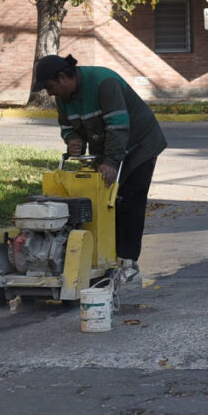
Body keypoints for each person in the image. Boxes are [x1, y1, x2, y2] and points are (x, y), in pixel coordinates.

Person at [32, 54, 167, 274]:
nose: (49, 93)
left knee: (130, 198)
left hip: (140, 142)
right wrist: (73, 140)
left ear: (63, 77)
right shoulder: (63, 99)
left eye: (49, 86)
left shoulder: (104, 83)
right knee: (101, 200)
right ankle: (105, 255)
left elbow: (118, 126)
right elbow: (67, 126)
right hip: (105, 145)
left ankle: (127, 260)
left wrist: (112, 162)